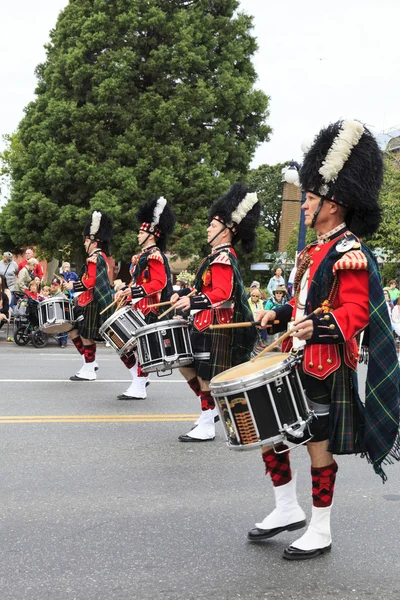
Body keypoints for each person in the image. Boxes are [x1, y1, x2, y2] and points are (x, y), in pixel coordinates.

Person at [249, 119, 400, 560]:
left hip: (325, 364)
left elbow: (353, 314)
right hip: (295, 357)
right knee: (268, 431)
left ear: (334, 205)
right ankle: (284, 507)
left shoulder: (349, 251)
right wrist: (275, 315)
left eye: (311, 199)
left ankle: (320, 527)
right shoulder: (312, 251)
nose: (305, 205)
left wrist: (319, 326)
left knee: (318, 447)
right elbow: (301, 304)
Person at [171, 183, 260, 442]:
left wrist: (193, 303)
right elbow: (205, 289)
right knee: (187, 367)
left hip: (216, 325)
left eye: (212, 225)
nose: (208, 228)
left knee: (206, 376)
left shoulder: (223, 257)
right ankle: (208, 414)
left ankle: (208, 423)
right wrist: (184, 297)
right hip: (203, 323)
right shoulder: (214, 256)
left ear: (226, 230)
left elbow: (222, 293)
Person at [114, 197, 176, 399]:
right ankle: (139, 379)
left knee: (139, 348)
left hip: (150, 307)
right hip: (138, 305)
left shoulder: (155, 256)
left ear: (151, 235)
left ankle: (139, 385)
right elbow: (140, 281)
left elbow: (158, 283)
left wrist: (134, 291)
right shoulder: (143, 255)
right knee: (122, 345)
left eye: (141, 232)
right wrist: (125, 288)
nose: (138, 235)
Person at [64, 211, 113, 381]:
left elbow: (91, 282)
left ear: (93, 241)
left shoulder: (95, 258)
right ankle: (89, 362)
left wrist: (73, 285)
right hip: (85, 300)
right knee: (72, 330)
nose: (84, 243)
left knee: (86, 335)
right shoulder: (95, 257)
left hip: (92, 301)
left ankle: (89, 369)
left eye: (86, 240)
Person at [48, 278, 69, 348]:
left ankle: (64, 341)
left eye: (55, 285)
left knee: (63, 327)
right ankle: (60, 339)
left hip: (61, 315)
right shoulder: (50, 294)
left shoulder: (61, 294)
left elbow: (68, 302)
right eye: (52, 284)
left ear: (58, 286)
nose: (53, 286)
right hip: (53, 315)